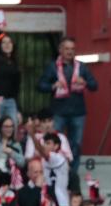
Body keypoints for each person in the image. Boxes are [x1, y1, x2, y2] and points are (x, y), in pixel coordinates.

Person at [37, 37, 98, 174]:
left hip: (78, 112)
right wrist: (53, 86)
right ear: (60, 50)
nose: (70, 52)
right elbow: (40, 85)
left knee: (75, 146)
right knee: (53, 142)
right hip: (58, 111)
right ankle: (53, 171)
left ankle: (72, 175)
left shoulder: (81, 67)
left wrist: (85, 82)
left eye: (72, 49)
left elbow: (95, 86)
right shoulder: (53, 67)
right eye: (67, 49)